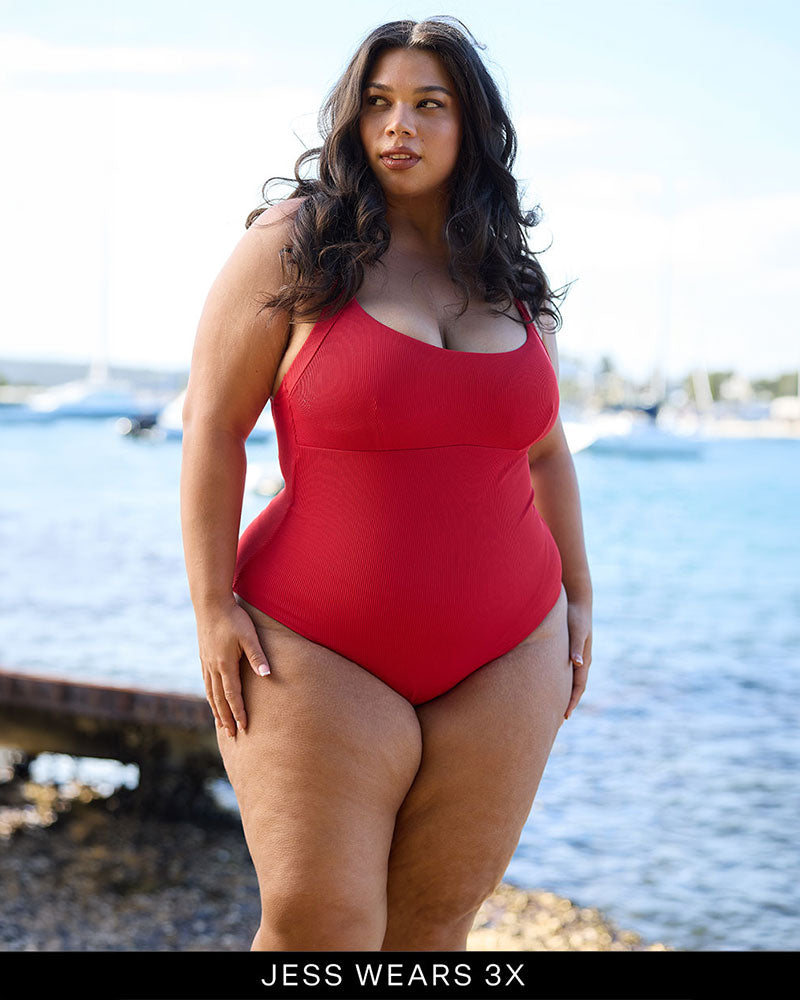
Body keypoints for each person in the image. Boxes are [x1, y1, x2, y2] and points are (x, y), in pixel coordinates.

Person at [180, 16, 592, 952]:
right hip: (313, 643)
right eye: (378, 103)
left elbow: (546, 450)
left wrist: (579, 593)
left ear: (471, 127)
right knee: (319, 927)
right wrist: (211, 608)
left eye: (427, 104)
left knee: (434, 931)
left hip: (510, 651)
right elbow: (213, 428)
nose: (397, 125)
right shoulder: (297, 244)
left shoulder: (510, 275)